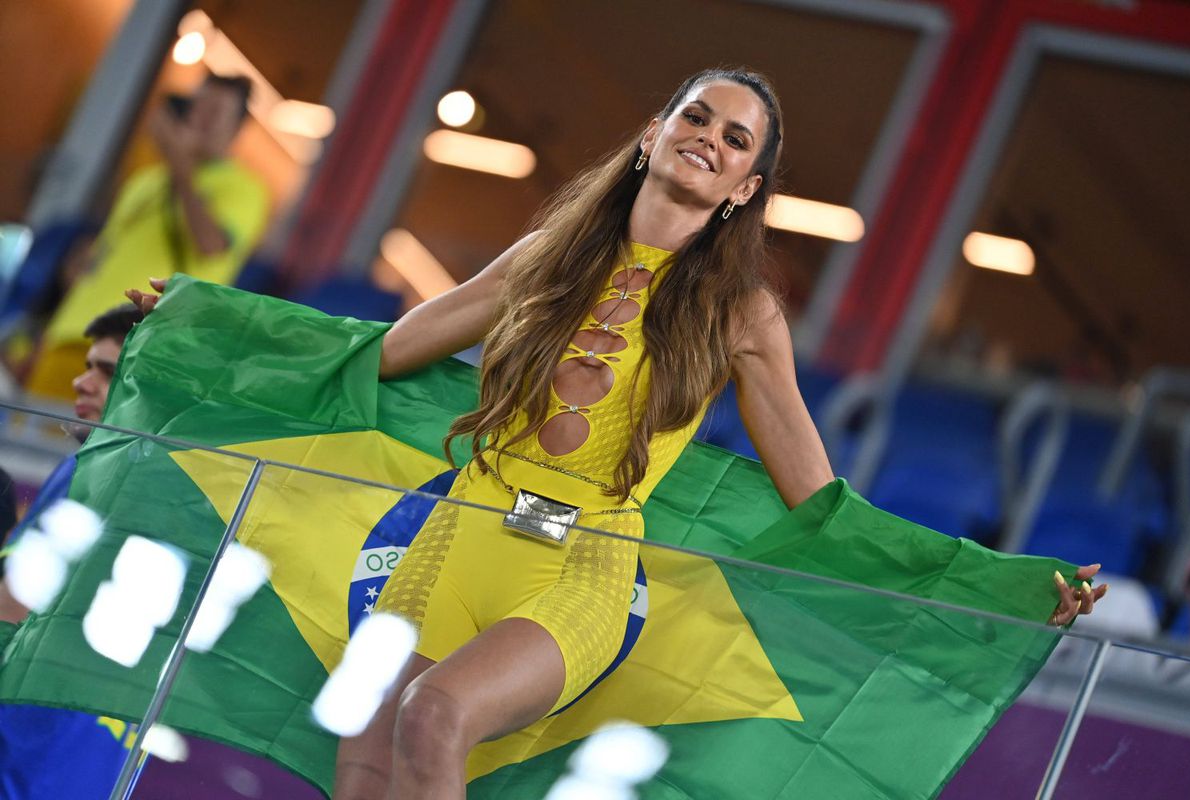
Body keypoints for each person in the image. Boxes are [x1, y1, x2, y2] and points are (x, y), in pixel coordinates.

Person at [130, 68, 1105, 799]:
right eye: (696, 117)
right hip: (451, 535)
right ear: (654, 133)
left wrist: (1000, 585)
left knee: (435, 713)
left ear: (743, 189)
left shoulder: (744, 316)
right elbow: (377, 353)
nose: (709, 140)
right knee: (366, 753)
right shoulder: (542, 257)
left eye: (735, 140)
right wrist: (196, 326)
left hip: (582, 567)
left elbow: (822, 502)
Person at [27, 71, 269, 402]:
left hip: (139, 350)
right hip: (70, 336)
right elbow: (95, 264)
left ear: (237, 128)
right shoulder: (145, 180)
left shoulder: (243, 188)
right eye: (198, 106)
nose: (200, 118)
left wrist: (180, 163)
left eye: (215, 111)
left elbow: (211, 245)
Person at [0, 303, 144, 798]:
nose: (82, 382)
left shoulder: (101, 470)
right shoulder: (191, 495)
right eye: (87, 366)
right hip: (91, 766)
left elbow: (12, 608)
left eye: (107, 372)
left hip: (25, 757)